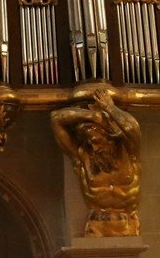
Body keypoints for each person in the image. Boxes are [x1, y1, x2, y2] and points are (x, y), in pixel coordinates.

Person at [51, 89, 141, 237]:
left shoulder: (129, 153)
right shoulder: (83, 156)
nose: (94, 147)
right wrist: (93, 116)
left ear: (110, 137)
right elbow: (55, 118)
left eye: (97, 142)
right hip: (95, 227)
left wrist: (110, 108)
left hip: (129, 225)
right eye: (91, 143)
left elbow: (132, 128)